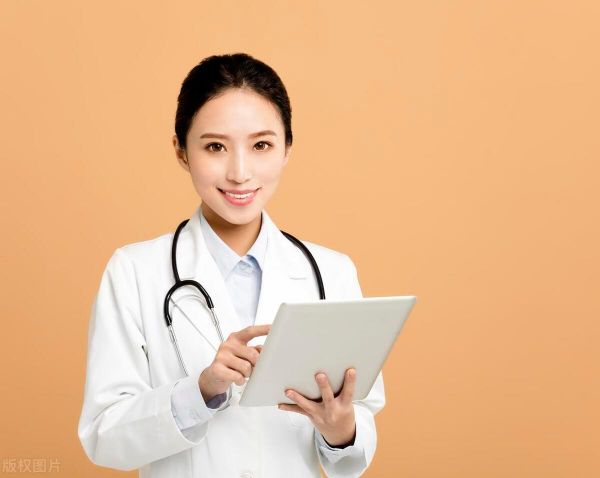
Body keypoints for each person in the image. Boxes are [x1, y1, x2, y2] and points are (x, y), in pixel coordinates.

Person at [77, 52, 385, 478]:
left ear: (287, 148)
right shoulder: (134, 272)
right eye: (215, 147)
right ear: (181, 152)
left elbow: (356, 438)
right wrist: (200, 392)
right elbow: (104, 436)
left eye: (261, 145)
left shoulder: (332, 273)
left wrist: (341, 430)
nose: (240, 173)